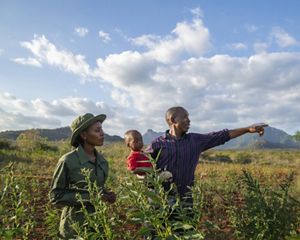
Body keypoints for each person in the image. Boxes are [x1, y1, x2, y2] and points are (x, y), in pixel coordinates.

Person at [147, 106, 268, 209]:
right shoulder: (157, 144)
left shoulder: (195, 141)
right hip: (161, 198)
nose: (189, 121)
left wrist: (247, 129)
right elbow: (143, 165)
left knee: (183, 232)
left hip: (185, 199)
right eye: (185, 117)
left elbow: (221, 135)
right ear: (173, 120)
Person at [49, 113, 116, 239]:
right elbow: (55, 196)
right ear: (84, 135)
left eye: (102, 129)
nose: (102, 133)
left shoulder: (102, 161)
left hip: (98, 224)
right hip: (75, 228)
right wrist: (92, 197)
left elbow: (97, 188)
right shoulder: (68, 161)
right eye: (97, 130)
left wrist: (107, 194)